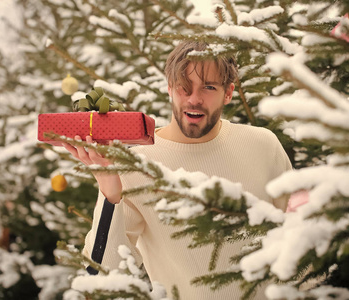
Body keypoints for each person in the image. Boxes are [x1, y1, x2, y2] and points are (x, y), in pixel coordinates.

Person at [63, 41, 292, 299]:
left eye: (208, 87)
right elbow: (102, 274)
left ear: (228, 92)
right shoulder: (137, 163)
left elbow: (301, 244)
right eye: (184, 87)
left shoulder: (263, 145)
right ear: (170, 88)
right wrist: (109, 189)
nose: (194, 99)